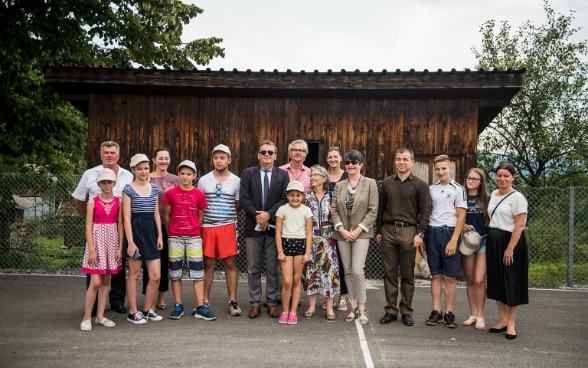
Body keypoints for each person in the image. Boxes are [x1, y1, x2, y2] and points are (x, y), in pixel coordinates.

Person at [72, 140, 133, 316]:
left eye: (112, 152)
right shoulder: (90, 174)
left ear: (118, 155)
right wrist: (91, 216)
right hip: (97, 228)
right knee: (95, 266)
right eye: (106, 152)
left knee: (117, 266)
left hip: (117, 228)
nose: (109, 155)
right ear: (101, 155)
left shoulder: (127, 176)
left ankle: (117, 301)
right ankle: (93, 305)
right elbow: (78, 197)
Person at [376, 148, 431, 327]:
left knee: (407, 274)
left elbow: (425, 211)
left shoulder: (420, 185)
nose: (401, 162)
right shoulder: (387, 183)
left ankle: (406, 310)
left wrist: (420, 233)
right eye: (398, 159)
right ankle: (391, 310)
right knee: (389, 273)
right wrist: (379, 230)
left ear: (412, 162)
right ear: (395, 161)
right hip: (388, 230)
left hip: (409, 231)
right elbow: (381, 207)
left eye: (405, 159)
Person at [240, 140, 289, 319]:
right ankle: (254, 303)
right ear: (258, 155)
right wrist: (259, 217)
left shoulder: (282, 175)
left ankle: (271, 302)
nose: (266, 155)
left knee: (272, 267)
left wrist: (268, 214)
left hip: (273, 228)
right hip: (253, 227)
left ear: (275, 155)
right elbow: (244, 198)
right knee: (253, 268)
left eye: (270, 152)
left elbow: (285, 199)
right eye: (263, 152)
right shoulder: (248, 173)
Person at [163, 160, 216, 321]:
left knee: (198, 273)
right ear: (178, 175)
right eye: (182, 173)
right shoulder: (170, 193)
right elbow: (166, 216)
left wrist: (193, 229)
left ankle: (201, 306)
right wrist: (171, 232)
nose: (185, 177)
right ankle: (178, 305)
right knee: (175, 272)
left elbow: (200, 216)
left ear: (194, 175)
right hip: (175, 237)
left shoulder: (199, 194)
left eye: (189, 174)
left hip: (194, 237)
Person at [331, 150, 378, 326]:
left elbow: (373, 210)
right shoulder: (339, 185)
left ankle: (363, 308)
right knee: (348, 270)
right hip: (342, 233)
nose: (351, 165)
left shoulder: (370, 184)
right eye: (348, 162)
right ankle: (353, 307)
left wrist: (357, 230)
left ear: (361, 164)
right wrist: (341, 229)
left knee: (358, 270)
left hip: (362, 233)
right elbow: (333, 209)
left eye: (355, 162)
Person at [197, 144, 242, 316]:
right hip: (208, 227)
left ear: (229, 160)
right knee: (208, 264)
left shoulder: (236, 181)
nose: (219, 160)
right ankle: (204, 301)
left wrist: (224, 216)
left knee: (230, 263)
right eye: (216, 157)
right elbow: (200, 205)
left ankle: (232, 300)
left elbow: (238, 205)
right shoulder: (203, 180)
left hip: (228, 227)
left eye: (222, 157)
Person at [486, 163, 528, 340]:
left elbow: (519, 225)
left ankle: (511, 323)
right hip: (493, 240)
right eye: (499, 175)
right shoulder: (493, 195)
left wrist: (510, 248)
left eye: (506, 176)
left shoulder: (517, 197)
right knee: (497, 281)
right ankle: (502, 320)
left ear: (513, 177)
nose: (502, 179)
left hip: (510, 242)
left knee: (511, 282)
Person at [425, 154, 467, 328]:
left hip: (450, 231)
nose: (441, 172)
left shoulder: (458, 189)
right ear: (434, 170)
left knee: (450, 277)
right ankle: (436, 311)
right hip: (433, 231)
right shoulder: (430, 189)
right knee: (435, 275)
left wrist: (454, 239)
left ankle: (449, 312)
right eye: (437, 169)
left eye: (444, 168)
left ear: (450, 168)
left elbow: (462, 215)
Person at [122, 153, 164, 324]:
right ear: (133, 170)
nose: (143, 171)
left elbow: (155, 213)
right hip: (136, 232)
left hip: (151, 233)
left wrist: (160, 234)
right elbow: (126, 218)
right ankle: (133, 311)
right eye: (139, 169)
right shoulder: (128, 189)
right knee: (134, 273)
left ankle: (147, 309)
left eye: (146, 168)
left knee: (155, 276)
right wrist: (130, 242)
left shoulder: (154, 188)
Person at [80, 168, 123, 331]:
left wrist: (119, 247)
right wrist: (91, 248)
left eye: (109, 182)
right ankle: (86, 317)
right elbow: (88, 225)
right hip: (96, 242)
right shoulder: (93, 202)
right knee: (96, 281)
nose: (107, 185)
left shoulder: (119, 201)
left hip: (111, 242)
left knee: (106, 281)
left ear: (114, 183)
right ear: (98, 184)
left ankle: (100, 316)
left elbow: (120, 225)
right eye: (103, 182)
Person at [142, 148, 180, 311]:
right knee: (148, 261)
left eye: (166, 158)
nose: (163, 161)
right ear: (154, 160)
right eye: (160, 158)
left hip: (167, 224)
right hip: (148, 225)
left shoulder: (176, 179)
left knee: (164, 260)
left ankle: (161, 295)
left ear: (169, 160)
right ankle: (148, 298)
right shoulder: (146, 178)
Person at [302, 165, 340, 321]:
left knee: (329, 273)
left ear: (324, 178)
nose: (312, 177)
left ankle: (329, 308)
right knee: (311, 272)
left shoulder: (332, 196)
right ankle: (311, 306)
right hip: (312, 240)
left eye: (316, 175)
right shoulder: (306, 197)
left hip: (329, 241)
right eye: (311, 175)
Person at [275, 181, 313, 325]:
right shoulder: (282, 210)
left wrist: (307, 252)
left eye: (298, 195)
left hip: (300, 245)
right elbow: (278, 232)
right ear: (287, 195)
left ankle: (293, 312)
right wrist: (280, 251)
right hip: (286, 245)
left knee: (297, 280)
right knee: (287, 280)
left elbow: (309, 233)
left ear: (302, 196)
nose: (295, 198)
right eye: (292, 195)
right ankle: (285, 310)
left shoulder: (306, 211)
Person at [461, 168, 490, 330]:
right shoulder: (461, 197)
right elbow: (454, 215)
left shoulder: (487, 198)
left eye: (475, 179)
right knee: (470, 279)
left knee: (479, 280)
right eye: (469, 178)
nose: (471, 181)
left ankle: (481, 316)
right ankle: (473, 314)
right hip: (467, 242)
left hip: (484, 241)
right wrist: (461, 223)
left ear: (481, 182)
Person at [324, 146, 348, 311]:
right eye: (330, 157)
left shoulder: (347, 175)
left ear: (340, 159)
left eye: (336, 157)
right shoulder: (324, 177)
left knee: (342, 261)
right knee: (329, 262)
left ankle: (343, 296)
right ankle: (330, 296)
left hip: (344, 224)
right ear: (327, 159)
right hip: (326, 225)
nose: (333, 160)